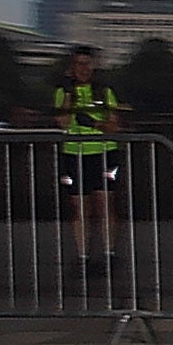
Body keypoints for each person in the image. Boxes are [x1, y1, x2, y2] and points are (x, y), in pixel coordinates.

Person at [53, 46, 121, 279]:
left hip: (102, 152)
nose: (83, 69)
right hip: (74, 153)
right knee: (79, 207)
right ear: (72, 67)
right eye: (79, 64)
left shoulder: (104, 92)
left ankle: (109, 253)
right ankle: (83, 257)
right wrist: (70, 96)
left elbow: (114, 125)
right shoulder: (64, 92)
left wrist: (93, 124)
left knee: (105, 204)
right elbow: (62, 122)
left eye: (87, 64)